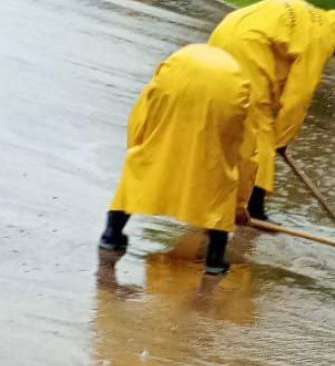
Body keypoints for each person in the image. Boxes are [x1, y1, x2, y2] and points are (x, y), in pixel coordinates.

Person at [98, 44, 257, 275]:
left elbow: (140, 117)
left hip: (174, 79)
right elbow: (245, 154)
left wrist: (138, 151)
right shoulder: (242, 80)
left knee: (144, 162)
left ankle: (111, 235)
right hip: (229, 94)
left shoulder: (179, 60)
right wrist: (239, 205)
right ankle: (214, 259)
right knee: (220, 170)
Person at [208, 0, 335, 221]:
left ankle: (214, 188)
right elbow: (299, 95)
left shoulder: (309, 19)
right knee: (262, 133)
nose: (333, 56)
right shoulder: (322, 36)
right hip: (248, 48)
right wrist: (282, 140)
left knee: (229, 118)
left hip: (224, 34)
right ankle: (253, 205)